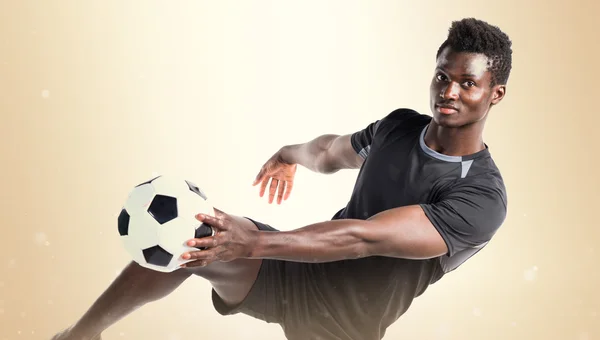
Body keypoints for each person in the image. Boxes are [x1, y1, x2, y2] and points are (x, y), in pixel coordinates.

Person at [51, 17, 512, 340]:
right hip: (295, 271)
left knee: (232, 239)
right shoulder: (399, 126)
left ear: (495, 93)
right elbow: (330, 151)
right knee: (193, 238)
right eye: (441, 76)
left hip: (346, 327)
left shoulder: (481, 196)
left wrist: (254, 243)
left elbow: (363, 238)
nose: (448, 91)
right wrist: (288, 154)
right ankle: (79, 336)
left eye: (467, 83)